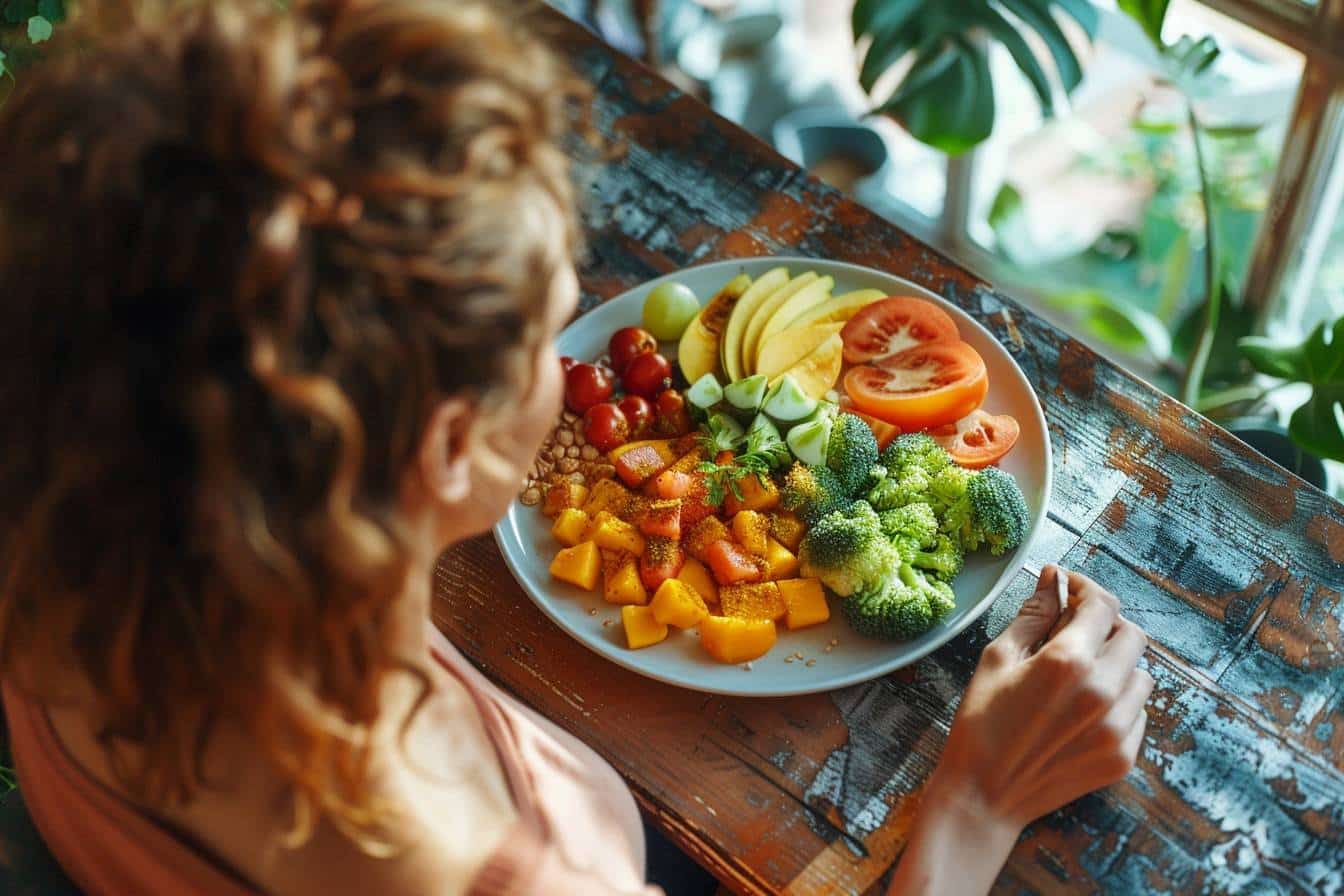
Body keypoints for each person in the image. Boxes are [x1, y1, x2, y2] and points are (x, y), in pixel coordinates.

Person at [0, 2, 1152, 894]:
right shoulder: (511, 870)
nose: (574, 365)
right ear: (448, 447)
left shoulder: (72, 539)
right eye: (544, 328)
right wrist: (975, 802)